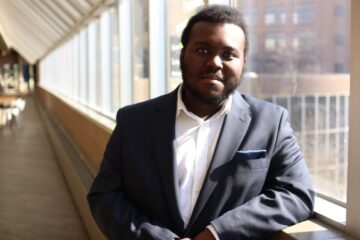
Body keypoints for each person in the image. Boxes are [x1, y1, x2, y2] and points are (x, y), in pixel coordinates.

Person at [87, 5, 314, 240]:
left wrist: (216, 234)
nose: (215, 62)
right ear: (183, 55)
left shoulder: (270, 122)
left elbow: (297, 194)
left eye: (228, 55)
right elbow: (105, 196)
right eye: (203, 50)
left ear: (243, 63)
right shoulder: (133, 121)